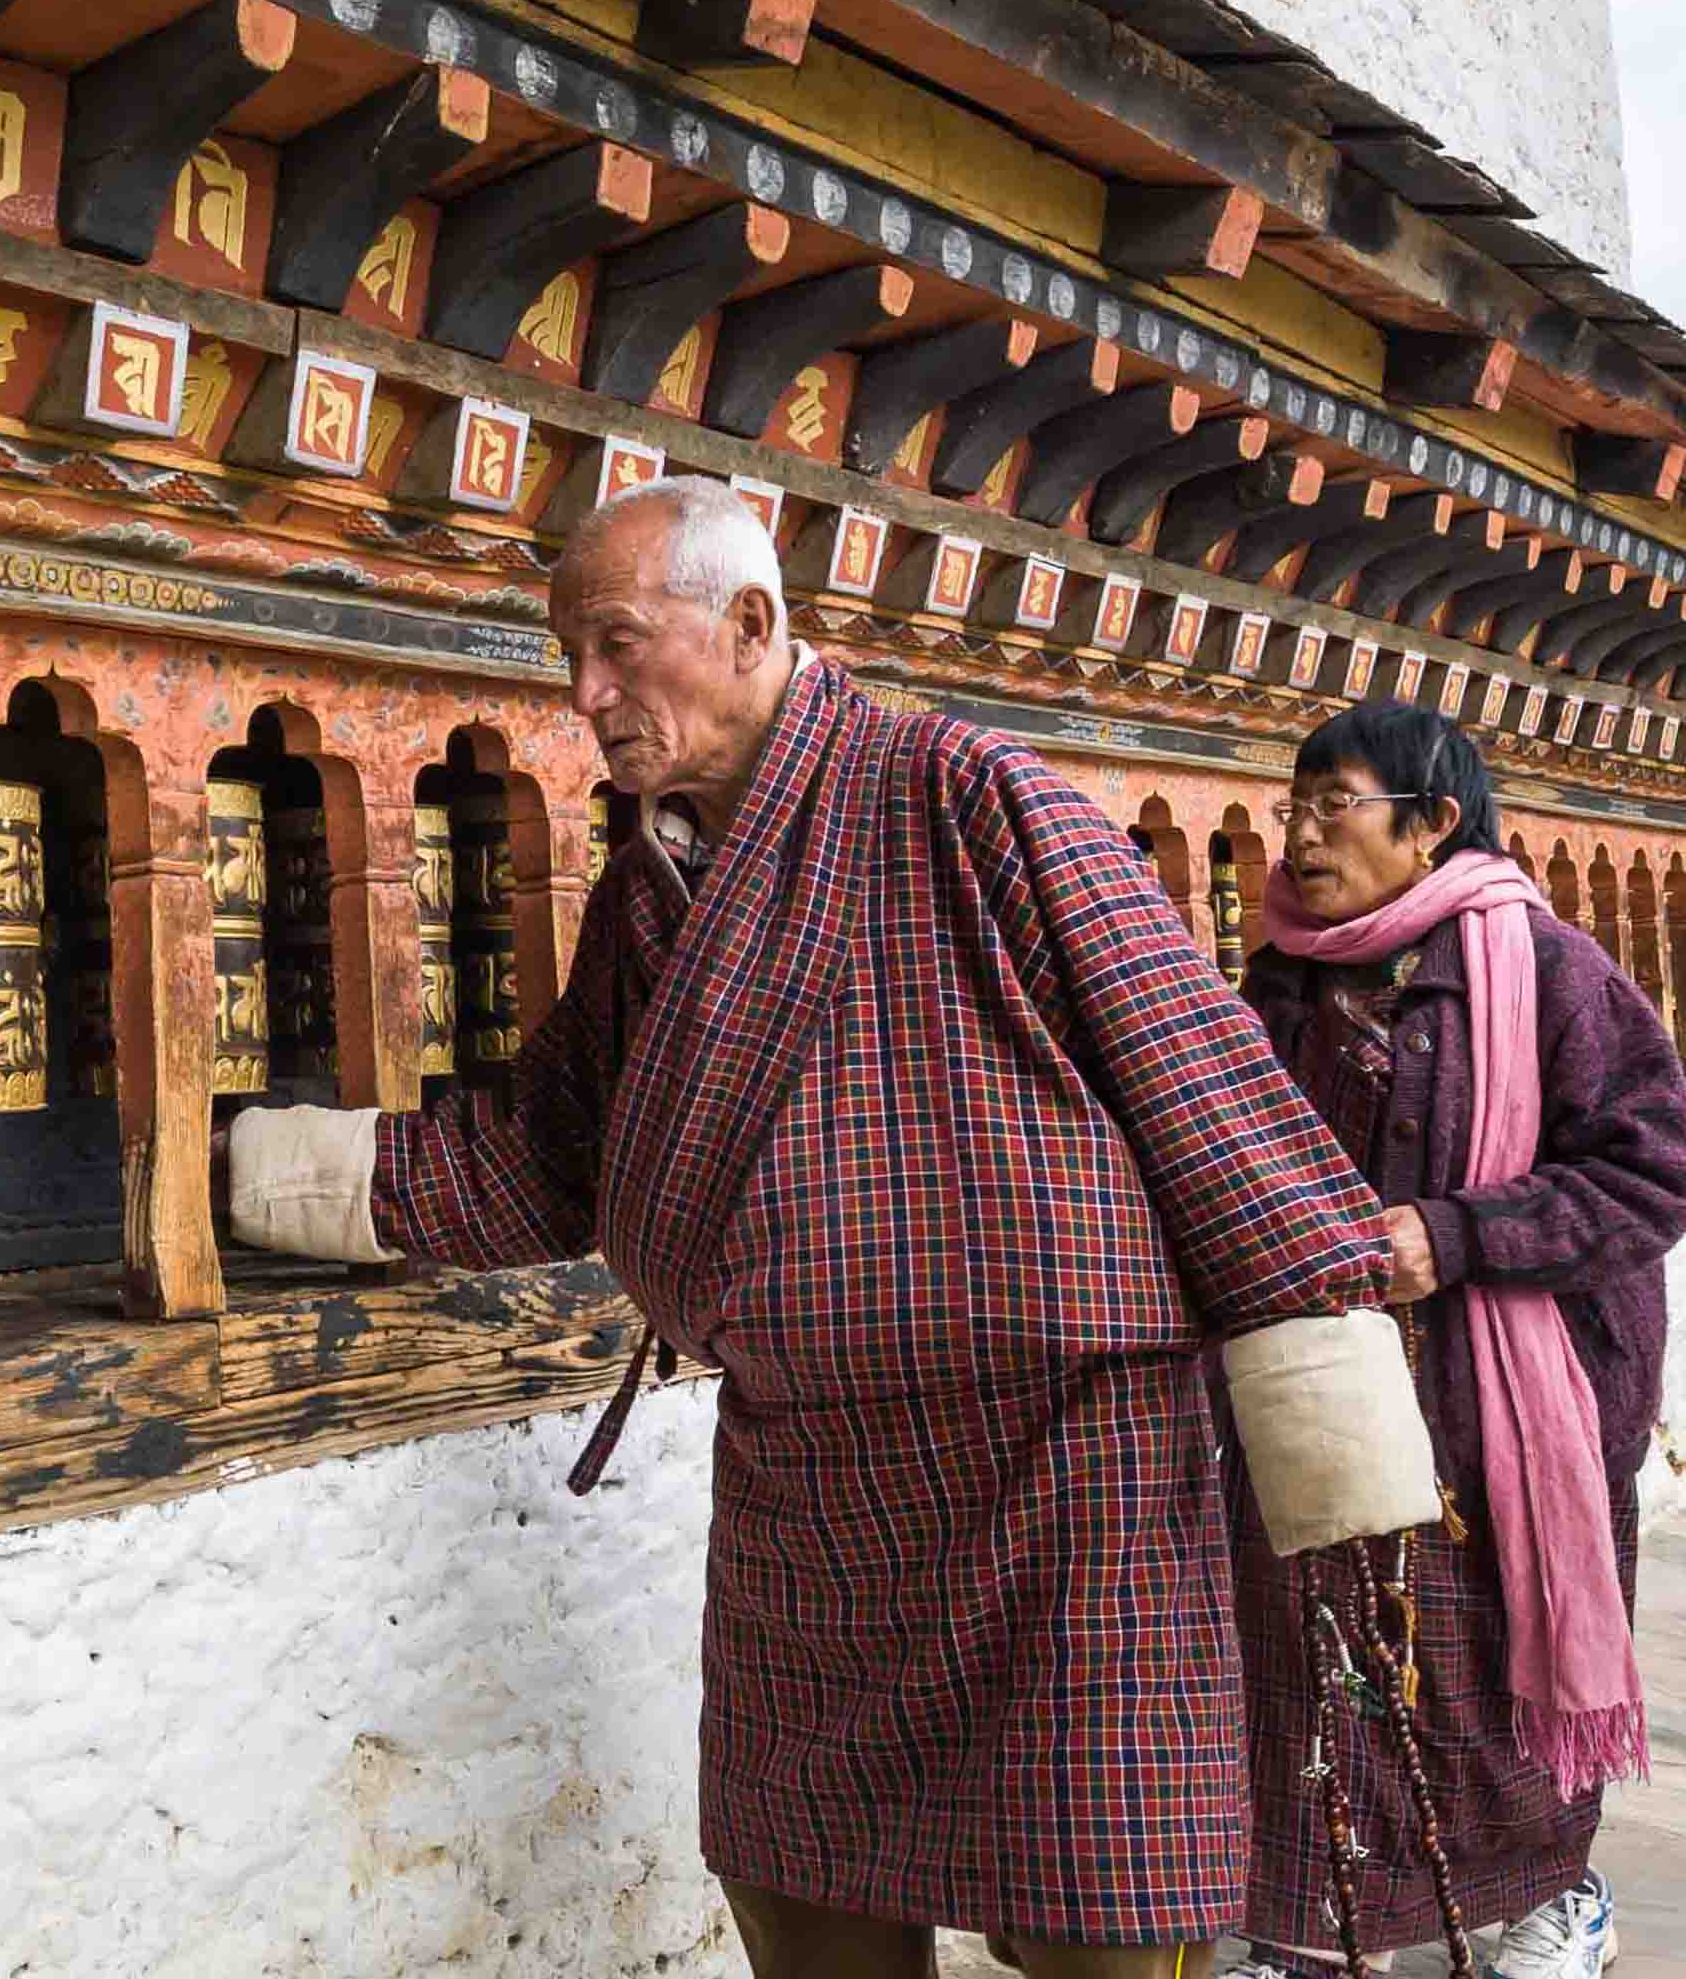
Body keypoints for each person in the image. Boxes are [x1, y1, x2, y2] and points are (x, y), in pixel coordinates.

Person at [221, 476, 1440, 1979]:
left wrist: (1341, 1459)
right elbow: (541, 1156)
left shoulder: (970, 792)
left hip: (1059, 1478)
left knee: (1101, 1921)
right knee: (802, 1902)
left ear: (747, 622)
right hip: (810, 1481)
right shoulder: (652, 888)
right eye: (568, 659)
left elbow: (1200, 1081)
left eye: (614, 644)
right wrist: (256, 1172)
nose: (586, 695)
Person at [1228, 703, 1686, 1979]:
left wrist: (1457, 1234)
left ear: (1432, 822)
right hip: (1329, 1385)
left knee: (1492, 1668)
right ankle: (1322, 1927)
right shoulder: (1282, 976)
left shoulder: (1550, 973)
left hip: (1511, 1400)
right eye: (1296, 801)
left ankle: (1557, 1897)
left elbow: (1653, 1178)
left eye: (1337, 800)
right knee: (1321, 1656)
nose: (1303, 828)